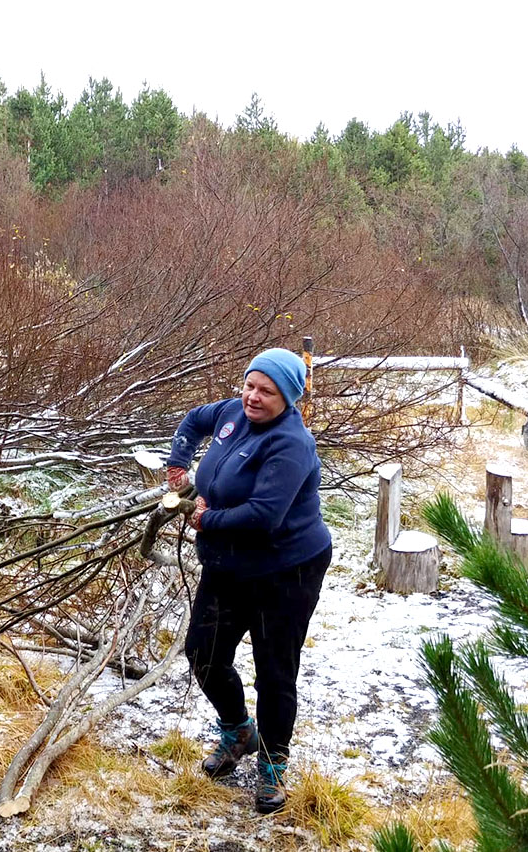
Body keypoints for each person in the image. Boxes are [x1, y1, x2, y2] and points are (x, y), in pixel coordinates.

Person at [165, 347, 332, 814]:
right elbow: (195, 419)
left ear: (290, 397)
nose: (253, 397)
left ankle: (274, 765)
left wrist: (205, 519)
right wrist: (179, 461)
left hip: (286, 568)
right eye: (250, 386)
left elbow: (264, 515)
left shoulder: (290, 443)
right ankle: (239, 730)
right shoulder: (232, 413)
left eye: (268, 391)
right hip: (228, 565)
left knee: (275, 669)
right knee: (203, 652)